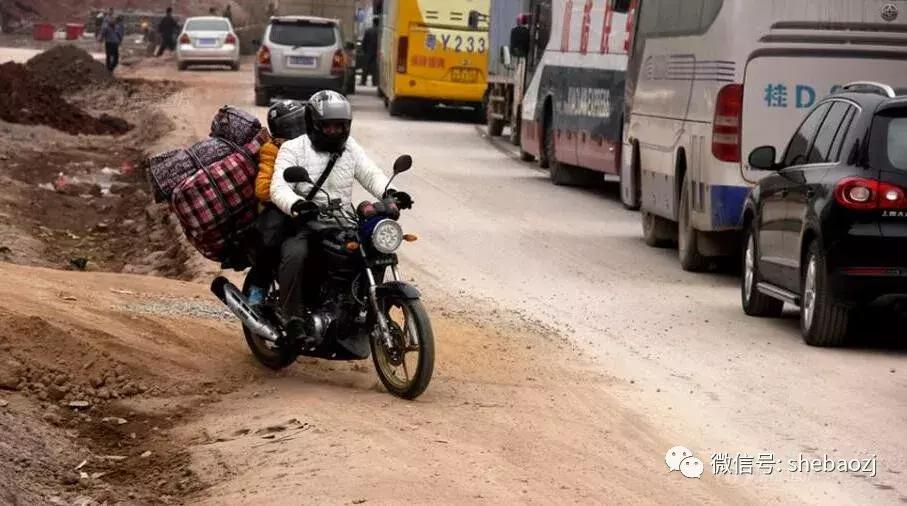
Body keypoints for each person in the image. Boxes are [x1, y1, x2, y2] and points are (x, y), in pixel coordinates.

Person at [270, 90, 413, 341]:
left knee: (372, 248)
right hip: (305, 221)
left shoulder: (350, 148)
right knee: (295, 255)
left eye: (341, 126)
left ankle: (357, 305)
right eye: (329, 126)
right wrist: (297, 204)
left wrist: (390, 192)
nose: (335, 131)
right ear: (313, 123)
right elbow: (278, 187)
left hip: (342, 218)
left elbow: (370, 174)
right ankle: (291, 317)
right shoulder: (294, 148)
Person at [247, 100, 308, 305]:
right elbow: (263, 189)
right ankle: (258, 288)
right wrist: (288, 195)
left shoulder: (313, 147)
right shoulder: (271, 150)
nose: (299, 130)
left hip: (309, 210)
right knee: (270, 245)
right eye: (293, 126)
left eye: (302, 123)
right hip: (278, 210)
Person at [360, 16, 380, 86]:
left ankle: (363, 81)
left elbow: (364, 41)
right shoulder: (380, 31)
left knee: (365, 67)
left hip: (368, 51)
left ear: (373, 22)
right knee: (375, 68)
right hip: (377, 52)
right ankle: (375, 82)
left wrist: (363, 50)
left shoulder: (368, 31)